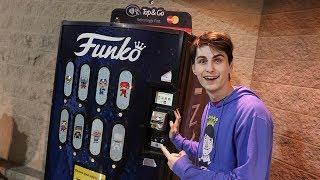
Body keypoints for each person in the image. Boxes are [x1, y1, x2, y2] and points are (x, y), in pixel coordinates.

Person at [160, 32, 273, 180]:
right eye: (202, 61)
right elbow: (208, 151)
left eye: (218, 60)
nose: (210, 68)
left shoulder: (252, 112)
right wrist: (177, 139)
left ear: (230, 66)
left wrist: (186, 170)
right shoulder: (210, 106)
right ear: (194, 68)